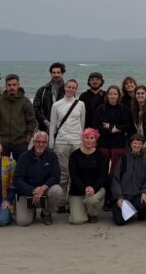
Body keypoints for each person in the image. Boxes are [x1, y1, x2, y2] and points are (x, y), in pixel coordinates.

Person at [49, 79, 85, 211]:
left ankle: (73, 202)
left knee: (76, 174)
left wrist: (82, 142)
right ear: (65, 87)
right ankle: (61, 202)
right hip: (61, 142)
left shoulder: (80, 104)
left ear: (76, 89)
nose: (70, 89)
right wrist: (51, 143)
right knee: (63, 174)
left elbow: (82, 124)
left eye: (73, 88)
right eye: (68, 87)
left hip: (76, 142)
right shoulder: (56, 105)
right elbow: (53, 125)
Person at [94, 85, 133, 207]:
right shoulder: (101, 109)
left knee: (116, 172)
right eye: (110, 94)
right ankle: (103, 197)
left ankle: (114, 197)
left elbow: (128, 125)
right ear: (107, 95)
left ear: (118, 96)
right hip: (103, 145)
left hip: (118, 145)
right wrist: (113, 129)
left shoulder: (124, 109)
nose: (112, 96)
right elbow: (97, 126)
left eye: (115, 94)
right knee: (102, 171)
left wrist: (113, 128)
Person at [14, 131, 63, 226]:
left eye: (44, 142)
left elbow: (56, 176)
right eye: (38, 141)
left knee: (57, 190)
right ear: (33, 142)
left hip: (45, 189)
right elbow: (17, 179)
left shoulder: (52, 156)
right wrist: (32, 190)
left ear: (47, 143)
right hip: (27, 192)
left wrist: (43, 188)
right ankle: (32, 211)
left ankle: (46, 213)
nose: (41, 144)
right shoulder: (24, 157)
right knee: (23, 222)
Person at [111, 134, 146, 225]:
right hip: (123, 196)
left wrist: (144, 193)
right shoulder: (123, 159)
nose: (137, 145)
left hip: (137, 195)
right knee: (119, 221)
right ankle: (125, 211)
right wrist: (119, 197)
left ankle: (140, 213)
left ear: (142, 145)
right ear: (131, 144)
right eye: (135, 143)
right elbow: (116, 179)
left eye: (139, 143)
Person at [68, 128, 107, 224]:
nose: (89, 140)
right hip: (78, 190)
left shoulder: (100, 155)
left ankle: (92, 213)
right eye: (86, 137)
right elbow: (73, 175)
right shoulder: (74, 155)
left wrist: (93, 188)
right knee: (77, 220)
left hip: (96, 189)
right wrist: (84, 188)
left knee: (91, 199)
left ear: (95, 140)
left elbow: (102, 176)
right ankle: (82, 208)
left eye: (92, 138)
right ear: (83, 139)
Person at [0, 74, 37, 161]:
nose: (12, 87)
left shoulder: (25, 101)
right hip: (2, 142)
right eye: (9, 85)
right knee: (1, 167)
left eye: (14, 85)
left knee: (21, 166)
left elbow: (32, 121)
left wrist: (28, 138)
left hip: (20, 142)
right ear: (5, 86)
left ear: (18, 85)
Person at [33, 62, 65, 132]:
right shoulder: (42, 90)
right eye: (54, 72)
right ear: (51, 74)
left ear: (62, 73)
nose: (56, 75)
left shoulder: (67, 91)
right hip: (45, 128)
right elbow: (35, 108)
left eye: (58, 72)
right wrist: (45, 121)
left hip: (62, 128)